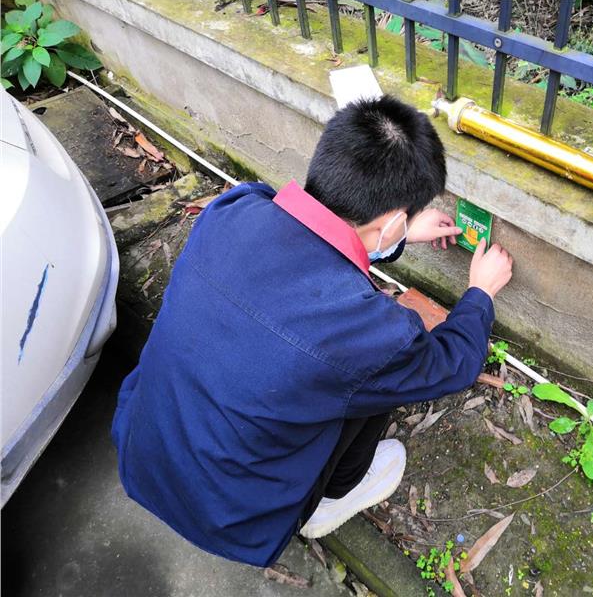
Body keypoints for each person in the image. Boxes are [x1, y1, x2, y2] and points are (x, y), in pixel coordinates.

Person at [111, 95, 513, 568]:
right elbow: (453, 363)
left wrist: (396, 234)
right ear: (393, 222)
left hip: (141, 451)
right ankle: (333, 499)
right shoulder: (375, 336)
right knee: (376, 388)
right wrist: (480, 294)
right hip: (235, 518)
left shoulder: (232, 210)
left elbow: (318, 236)